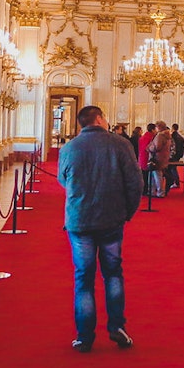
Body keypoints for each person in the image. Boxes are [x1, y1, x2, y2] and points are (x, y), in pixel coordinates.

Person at [58, 105, 142, 353]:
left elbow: (63, 180)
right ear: (99, 119)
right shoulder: (120, 144)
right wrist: (127, 212)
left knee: (83, 278)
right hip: (111, 219)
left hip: (80, 220)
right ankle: (117, 327)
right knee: (113, 274)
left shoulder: (69, 148)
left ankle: (84, 337)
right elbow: (135, 183)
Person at [147, 122, 172, 197]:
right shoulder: (167, 135)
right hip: (163, 157)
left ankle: (159, 192)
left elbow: (157, 146)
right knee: (156, 175)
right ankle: (154, 191)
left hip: (157, 158)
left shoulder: (160, 135)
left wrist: (149, 147)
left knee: (156, 175)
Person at [166, 124, 184, 191]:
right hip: (178, 155)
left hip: (173, 155)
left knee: (172, 169)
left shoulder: (172, 137)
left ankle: (175, 182)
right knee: (173, 169)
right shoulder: (181, 137)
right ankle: (174, 182)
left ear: (172, 128)